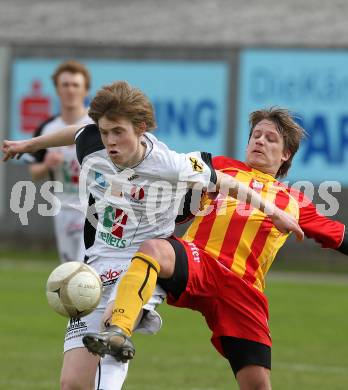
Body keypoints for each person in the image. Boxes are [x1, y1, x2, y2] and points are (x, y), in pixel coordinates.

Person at [2, 87, 303, 390]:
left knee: (112, 335)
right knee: (72, 384)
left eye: (118, 132)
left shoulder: (170, 164)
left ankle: (120, 332)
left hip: (140, 267)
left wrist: (272, 211)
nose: (110, 141)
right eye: (105, 132)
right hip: (93, 271)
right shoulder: (95, 146)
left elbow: (224, 180)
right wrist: (27, 144)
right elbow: (80, 131)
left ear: (141, 129)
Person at [83, 107, 348, 390]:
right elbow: (166, 169)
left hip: (243, 290)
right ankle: (118, 331)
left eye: (270, 139)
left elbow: (339, 236)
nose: (259, 141)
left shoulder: (296, 202)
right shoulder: (221, 167)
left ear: (286, 155)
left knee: (257, 384)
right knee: (155, 249)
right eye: (255, 135)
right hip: (200, 262)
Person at [24, 60, 93, 263]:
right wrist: (46, 164)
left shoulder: (96, 127)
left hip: (93, 208)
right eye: (65, 85)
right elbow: (34, 172)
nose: (70, 90)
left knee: (87, 269)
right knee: (69, 271)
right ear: (57, 89)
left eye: (75, 85)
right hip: (62, 208)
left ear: (85, 90)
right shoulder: (47, 129)